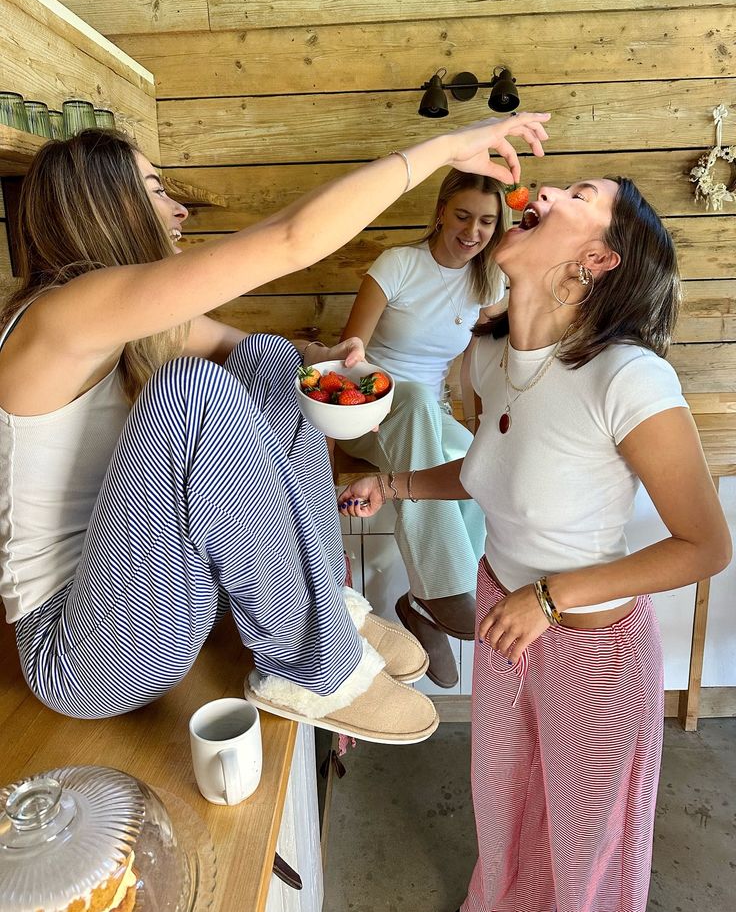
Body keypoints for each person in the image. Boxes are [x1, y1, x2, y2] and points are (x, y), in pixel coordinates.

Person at [0, 114, 551, 746]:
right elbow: (290, 240)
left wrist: (336, 366)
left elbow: (266, 349)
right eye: (156, 190)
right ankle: (305, 670)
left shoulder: (119, 321)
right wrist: (442, 150)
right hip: (76, 657)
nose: (179, 210)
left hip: (151, 613)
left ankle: (328, 614)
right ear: (108, 207)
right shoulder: (57, 321)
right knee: (189, 389)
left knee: (273, 363)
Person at [339, 176, 731, 908]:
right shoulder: (489, 359)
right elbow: (494, 470)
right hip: (504, 616)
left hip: (592, 648)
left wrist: (549, 599)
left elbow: (706, 545)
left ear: (599, 259)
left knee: (588, 835)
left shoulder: (629, 378)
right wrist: (393, 487)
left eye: (579, 196)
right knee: (504, 798)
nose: (542, 190)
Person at [337, 170, 509, 687]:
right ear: (439, 211)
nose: (472, 231)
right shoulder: (398, 264)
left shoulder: (489, 281)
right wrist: (363, 371)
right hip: (369, 409)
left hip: (426, 418)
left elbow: (491, 357)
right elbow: (351, 355)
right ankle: (445, 588)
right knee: (409, 395)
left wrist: (485, 421)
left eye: (486, 221)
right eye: (462, 216)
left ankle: (425, 608)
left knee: (483, 466)